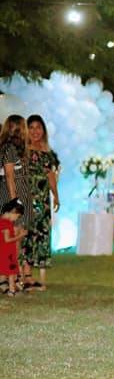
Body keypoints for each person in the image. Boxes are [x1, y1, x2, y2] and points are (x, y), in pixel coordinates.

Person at [22, 115, 59, 291]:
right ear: (26, 130)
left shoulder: (48, 153)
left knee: (42, 236)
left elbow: (50, 176)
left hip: (43, 201)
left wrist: (56, 196)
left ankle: (37, 278)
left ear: (43, 130)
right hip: (26, 200)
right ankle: (25, 277)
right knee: (26, 236)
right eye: (32, 127)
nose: (35, 131)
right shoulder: (22, 150)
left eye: (38, 127)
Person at [0, 116, 31, 277]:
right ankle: (8, 279)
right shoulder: (9, 148)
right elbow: (9, 176)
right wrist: (15, 203)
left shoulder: (19, 149)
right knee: (12, 239)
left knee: (18, 239)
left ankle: (15, 276)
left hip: (21, 195)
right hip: (12, 197)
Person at [0, 198, 26, 297]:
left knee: (10, 272)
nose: (16, 219)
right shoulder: (5, 223)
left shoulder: (4, 222)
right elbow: (7, 240)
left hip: (7, 252)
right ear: (13, 212)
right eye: (18, 216)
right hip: (7, 253)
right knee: (11, 272)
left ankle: (12, 289)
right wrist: (20, 236)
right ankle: (12, 290)